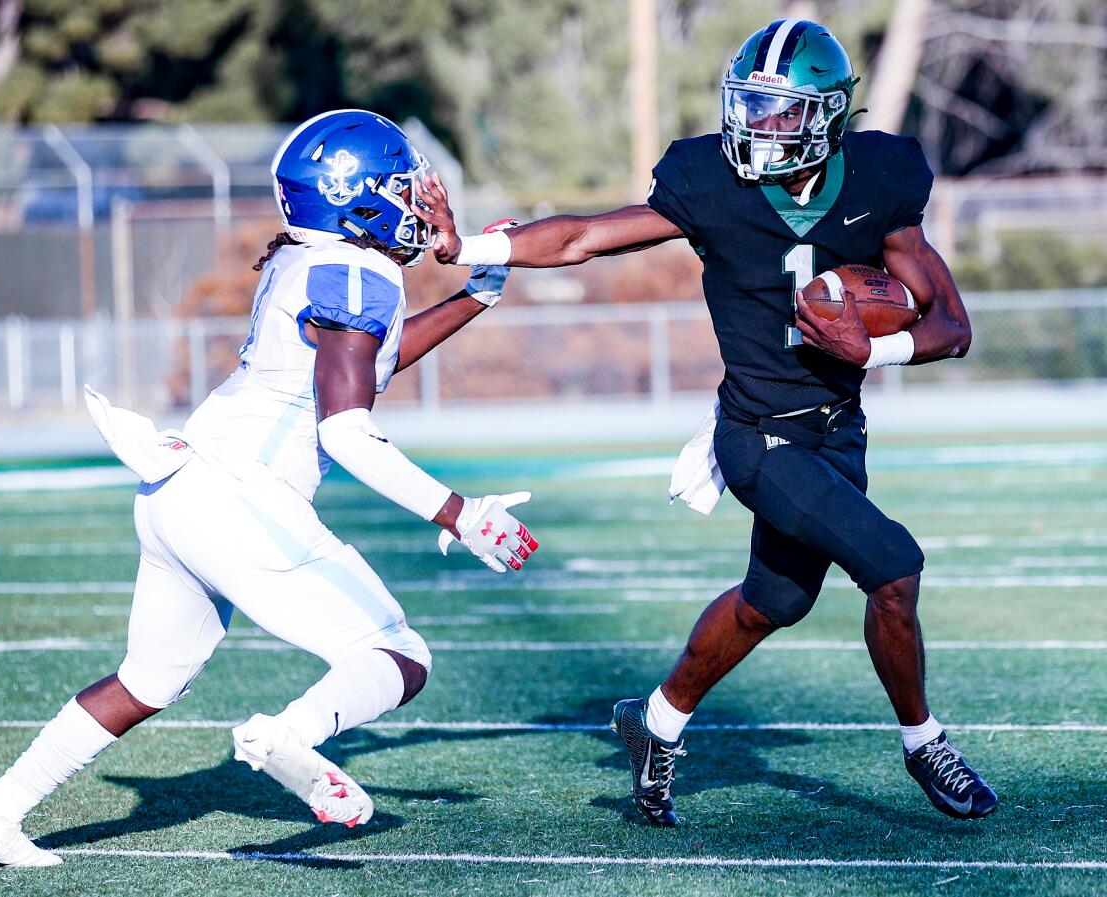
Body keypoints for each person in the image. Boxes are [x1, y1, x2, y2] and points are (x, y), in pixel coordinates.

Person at [417, 19, 996, 826]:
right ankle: (924, 741)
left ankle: (654, 723)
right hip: (758, 434)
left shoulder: (880, 180)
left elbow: (953, 327)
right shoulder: (711, 180)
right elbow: (584, 235)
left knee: (774, 601)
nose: (757, 128)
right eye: (749, 106)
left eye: (779, 112)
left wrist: (875, 350)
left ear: (828, 117)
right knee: (894, 567)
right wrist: (468, 246)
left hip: (838, 428)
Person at [0, 109, 539, 867]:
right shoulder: (356, 273)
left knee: (148, 679)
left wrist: (475, 297)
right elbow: (348, 430)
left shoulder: (318, 260)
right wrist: (459, 512)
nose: (417, 201)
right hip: (238, 494)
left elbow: (370, 361)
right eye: (401, 187)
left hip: (178, 486)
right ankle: (288, 732)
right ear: (356, 198)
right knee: (397, 650)